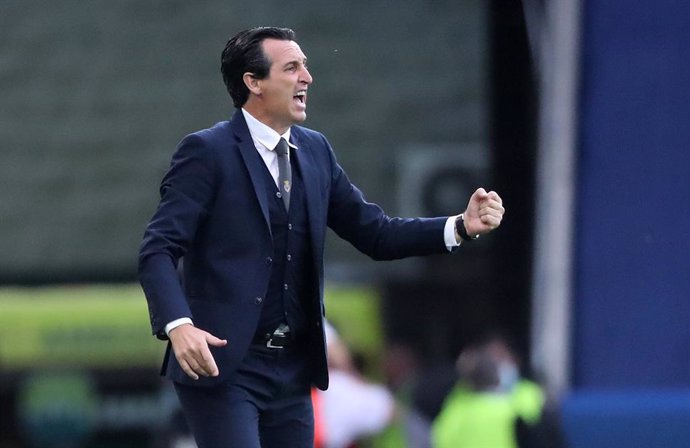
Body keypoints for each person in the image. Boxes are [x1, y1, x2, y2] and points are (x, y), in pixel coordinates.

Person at [138, 26, 505, 448]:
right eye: (292, 67)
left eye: (306, 67)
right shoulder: (207, 152)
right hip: (224, 365)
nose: (307, 78)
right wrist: (179, 325)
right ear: (253, 82)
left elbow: (376, 233)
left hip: (293, 369)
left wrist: (459, 226)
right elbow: (157, 250)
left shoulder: (316, 152)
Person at [431, 335, 551, 448]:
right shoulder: (459, 400)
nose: (497, 364)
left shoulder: (528, 392)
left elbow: (440, 438)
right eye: (493, 359)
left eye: (501, 357)